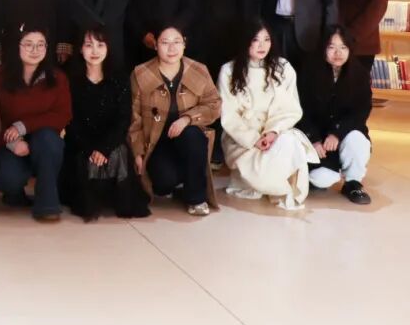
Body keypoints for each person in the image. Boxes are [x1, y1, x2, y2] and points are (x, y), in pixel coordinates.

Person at [217, 20, 318, 210]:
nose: (262, 45)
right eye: (255, 40)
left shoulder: (283, 68)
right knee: (260, 176)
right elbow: (229, 115)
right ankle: (267, 182)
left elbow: (290, 108)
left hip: (274, 133)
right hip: (243, 139)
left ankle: (278, 183)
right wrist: (254, 139)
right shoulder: (228, 70)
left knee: (292, 142)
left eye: (267, 39)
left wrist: (272, 132)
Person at [128, 24, 221, 216]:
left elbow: (214, 104)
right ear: (155, 45)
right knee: (163, 183)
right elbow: (134, 117)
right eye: (165, 42)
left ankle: (196, 199)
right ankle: (184, 178)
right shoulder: (140, 73)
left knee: (193, 135)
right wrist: (137, 152)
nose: (172, 48)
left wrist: (187, 119)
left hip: (189, 139)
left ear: (184, 44)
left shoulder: (198, 70)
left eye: (177, 42)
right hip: (156, 142)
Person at [62, 29, 150, 221]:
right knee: (83, 170)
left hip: (111, 140)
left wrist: (103, 148)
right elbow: (70, 121)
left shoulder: (120, 78)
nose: (95, 51)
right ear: (80, 49)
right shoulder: (70, 79)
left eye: (100, 45)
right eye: (89, 45)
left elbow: (123, 119)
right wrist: (90, 149)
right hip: (80, 142)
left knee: (119, 153)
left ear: (108, 48)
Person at [0, 28, 71, 221]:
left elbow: (63, 115)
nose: (35, 50)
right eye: (28, 44)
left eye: (40, 45)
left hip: (43, 143)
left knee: (48, 140)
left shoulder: (57, 77)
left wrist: (24, 126)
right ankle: (14, 194)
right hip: (10, 142)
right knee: (8, 178)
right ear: (17, 47)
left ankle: (47, 205)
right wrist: (11, 141)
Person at [297, 27, 373, 205]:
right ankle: (330, 171)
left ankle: (353, 183)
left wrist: (337, 133)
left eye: (343, 47)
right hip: (318, 142)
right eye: (332, 47)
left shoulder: (359, 74)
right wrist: (314, 140)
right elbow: (300, 110)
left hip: (344, 135)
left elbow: (361, 111)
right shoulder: (308, 72)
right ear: (323, 48)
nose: (338, 53)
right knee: (322, 179)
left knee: (358, 140)